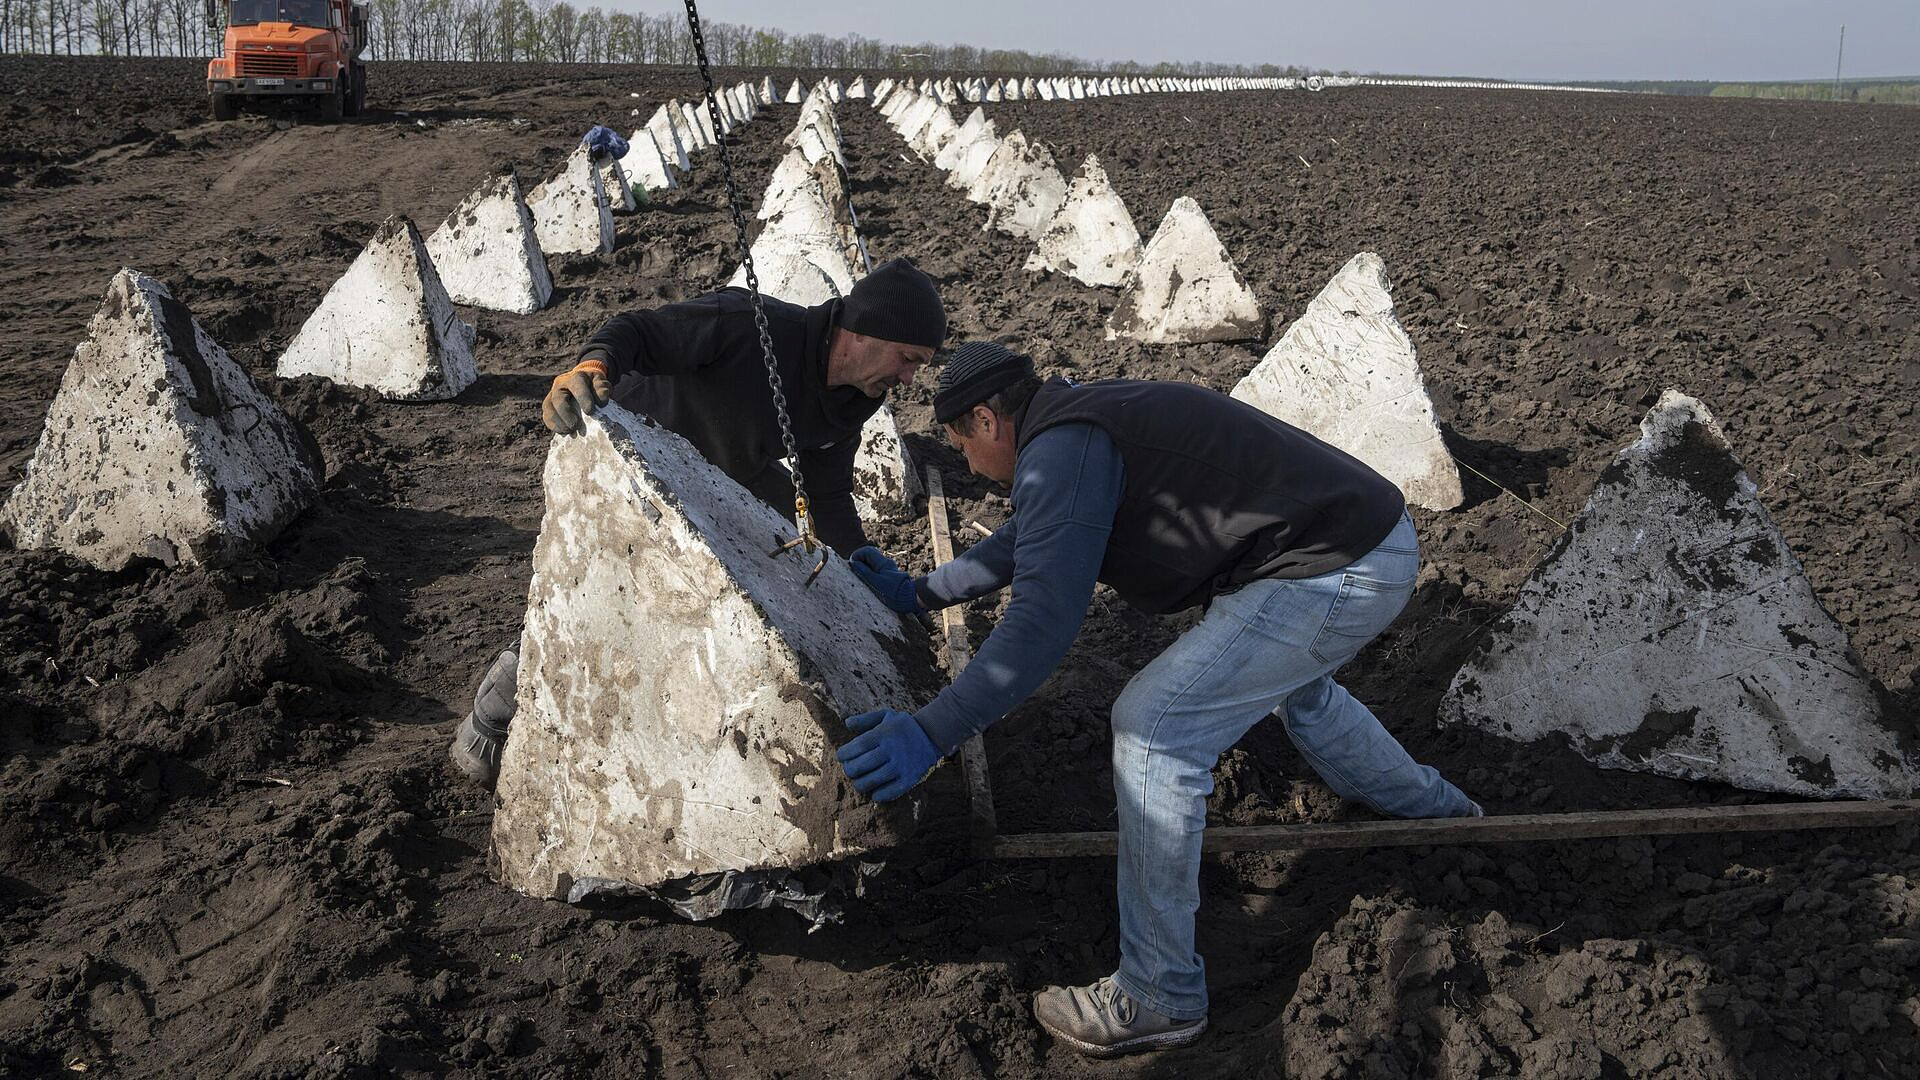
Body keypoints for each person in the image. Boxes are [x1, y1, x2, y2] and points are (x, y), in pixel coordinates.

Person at [837, 342, 1480, 1058]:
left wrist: (932, 732)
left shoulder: (1063, 447)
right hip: (1357, 543)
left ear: (986, 419)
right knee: (1300, 692)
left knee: (1153, 730)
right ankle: (1434, 810)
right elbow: (1028, 540)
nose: (961, 458)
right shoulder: (1075, 426)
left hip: (1334, 571)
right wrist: (919, 593)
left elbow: (1044, 621)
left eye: (958, 440)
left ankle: (1159, 992)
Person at [448, 259, 946, 786]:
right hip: (640, 450)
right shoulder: (747, 324)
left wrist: (858, 568)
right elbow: (639, 330)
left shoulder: (856, 398)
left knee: (778, 567)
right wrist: (594, 367)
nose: (909, 378)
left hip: (723, 477)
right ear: (866, 332)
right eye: (908, 359)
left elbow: (824, 493)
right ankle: (492, 716)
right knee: (603, 591)